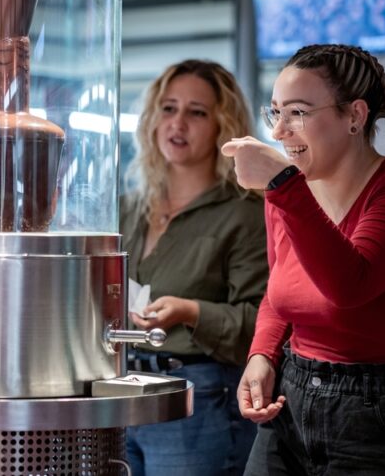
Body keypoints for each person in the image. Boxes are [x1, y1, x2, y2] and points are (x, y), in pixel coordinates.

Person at [221, 44, 385, 475]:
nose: (279, 132)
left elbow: (349, 286)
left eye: (298, 112)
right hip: (292, 397)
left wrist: (282, 185)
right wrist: (262, 356)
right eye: (276, 113)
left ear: (355, 116)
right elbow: (280, 290)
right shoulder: (288, 194)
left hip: (380, 412)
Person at [120, 59, 269, 476]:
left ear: (223, 126)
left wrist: (191, 311)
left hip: (196, 400)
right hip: (119, 393)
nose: (178, 122)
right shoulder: (127, 207)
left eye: (197, 112)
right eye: (168, 108)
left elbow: (262, 324)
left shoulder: (246, 213)